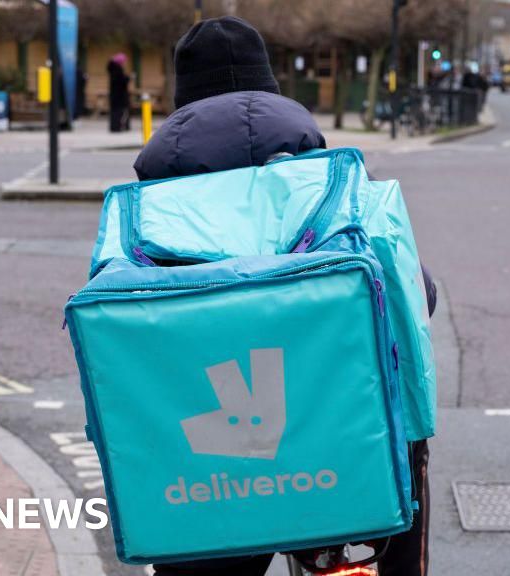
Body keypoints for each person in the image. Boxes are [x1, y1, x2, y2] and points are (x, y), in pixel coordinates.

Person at [133, 16, 433, 576]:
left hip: (211, 468)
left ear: (180, 103)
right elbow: (413, 291)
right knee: (397, 457)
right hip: (333, 452)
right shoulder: (326, 180)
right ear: (270, 88)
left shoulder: (150, 208)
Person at [107, 53, 130, 132]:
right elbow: (121, 82)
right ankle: (118, 127)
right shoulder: (118, 70)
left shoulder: (112, 69)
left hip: (114, 94)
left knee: (114, 112)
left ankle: (114, 127)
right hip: (119, 95)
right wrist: (128, 78)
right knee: (119, 111)